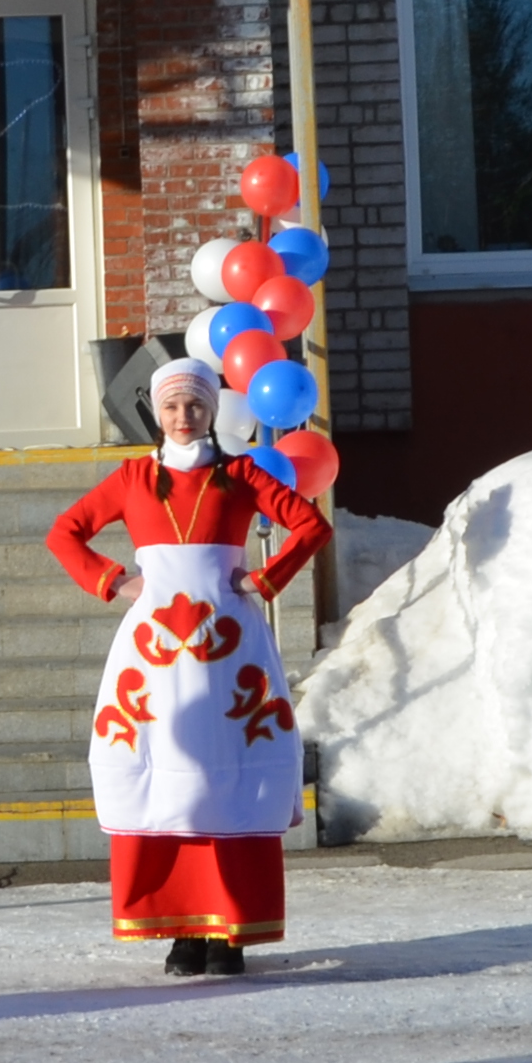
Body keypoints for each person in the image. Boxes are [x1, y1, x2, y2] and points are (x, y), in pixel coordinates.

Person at [48, 357, 327, 975]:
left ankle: (230, 933)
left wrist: (265, 577)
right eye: (172, 406)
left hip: (230, 654)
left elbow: (310, 524)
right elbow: (65, 533)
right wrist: (112, 581)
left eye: (195, 406)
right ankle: (181, 929)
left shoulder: (243, 474)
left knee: (227, 782)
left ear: (211, 411)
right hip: (154, 659)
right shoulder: (131, 479)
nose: (183, 417)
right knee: (167, 781)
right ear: (158, 412)